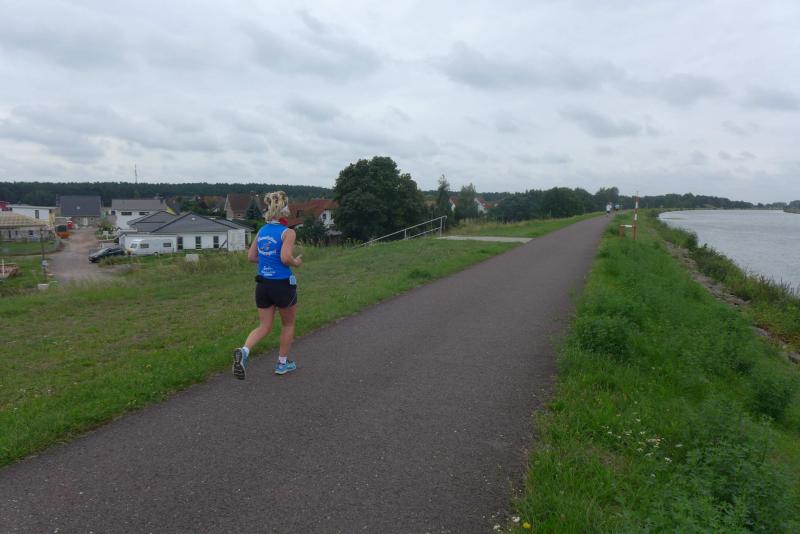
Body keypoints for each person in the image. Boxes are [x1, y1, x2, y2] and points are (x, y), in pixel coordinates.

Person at [233, 191, 303, 379]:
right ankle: (282, 364)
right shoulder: (288, 232)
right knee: (288, 324)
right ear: (284, 208)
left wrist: (267, 261)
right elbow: (285, 258)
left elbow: (251, 257)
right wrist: (296, 262)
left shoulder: (262, 231)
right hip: (282, 285)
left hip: (263, 285)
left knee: (264, 326)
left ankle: (244, 351)